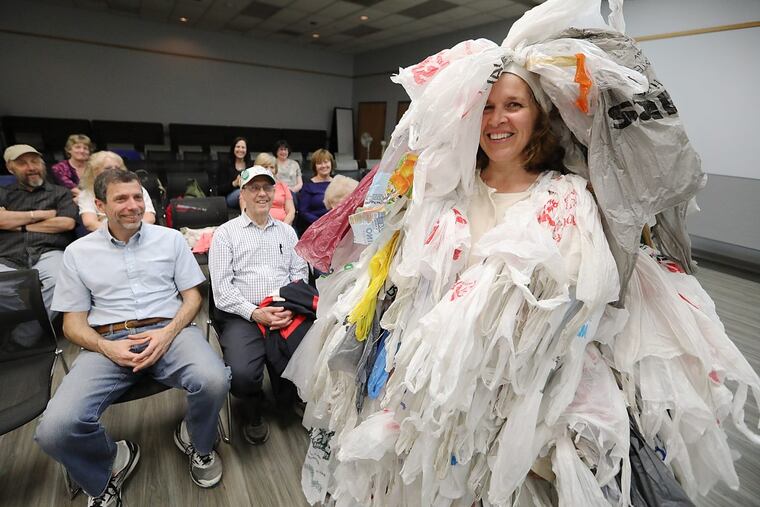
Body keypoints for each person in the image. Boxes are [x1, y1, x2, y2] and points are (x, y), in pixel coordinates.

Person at [285, 1, 760, 505]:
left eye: (513, 105)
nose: (497, 120)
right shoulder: (444, 195)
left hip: (531, 403)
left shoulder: (568, 199)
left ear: (539, 116)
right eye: (486, 107)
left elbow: (587, 303)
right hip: (439, 404)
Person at [35, 168, 230, 507]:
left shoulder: (169, 239)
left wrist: (167, 334)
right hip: (107, 341)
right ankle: (111, 461)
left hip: (170, 329)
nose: (133, 205)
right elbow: (72, 325)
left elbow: (192, 298)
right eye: (121, 198)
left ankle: (198, 443)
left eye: (138, 196)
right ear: (99, 205)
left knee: (214, 380)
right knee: (54, 429)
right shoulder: (78, 253)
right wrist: (105, 346)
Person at [208, 165, 308, 445]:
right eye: (254, 188)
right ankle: (253, 409)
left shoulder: (287, 233)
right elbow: (221, 290)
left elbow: (300, 272)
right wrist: (255, 313)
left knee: (306, 354)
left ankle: (287, 398)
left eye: (267, 188)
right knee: (241, 374)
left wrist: (289, 306)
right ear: (243, 193)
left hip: (283, 308)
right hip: (243, 313)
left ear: (275, 192)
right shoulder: (225, 234)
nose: (262, 193)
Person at [0, 144, 77, 315]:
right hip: (6, 254)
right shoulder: (3, 193)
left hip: (49, 252)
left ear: (43, 164)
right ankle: (32, 327)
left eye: (35, 161)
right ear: (10, 168)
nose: (31, 168)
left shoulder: (60, 193)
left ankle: (23, 336)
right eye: (22, 163)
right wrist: (42, 214)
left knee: (62, 282)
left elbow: (66, 223)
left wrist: (18, 224)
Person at [78, 151, 156, 232]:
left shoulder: (137, 188)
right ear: (95, 171)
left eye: (117, 168)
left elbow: (149, 217)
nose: (113, 171)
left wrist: (131, 230)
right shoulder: (86, 193)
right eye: (108, 168)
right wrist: (118, 232)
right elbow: (90, 223)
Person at [296, 148, 333, 233]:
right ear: (314, 166)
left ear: (331, 163)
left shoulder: (339, 183)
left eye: (326, 162)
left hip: (337, 226)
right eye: (319, 163)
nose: (323, 166)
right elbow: (303, 212)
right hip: (315, 228)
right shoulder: (308, 186)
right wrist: (322, 223)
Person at [50, 134, 94, 202]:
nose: (82, 151)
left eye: (85, 148)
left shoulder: (94, 167)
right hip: (68, 202)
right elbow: (73, 190)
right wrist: (91, 199)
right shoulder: (59, 168)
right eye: (77, 147)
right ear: (69, 150)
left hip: (93, 200)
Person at [254, 152, 295, 225]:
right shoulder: (250, 187)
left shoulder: (283, 186)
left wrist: (284, 227)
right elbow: (245, 210)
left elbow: (291, 211)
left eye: (272, 167)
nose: (269, 170)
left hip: (282, 226)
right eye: (265, 167)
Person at [217, 137, 250, 208]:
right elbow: (220, 189)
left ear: (247, 150)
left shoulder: (250, 165)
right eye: (238, 147)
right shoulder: (225, 164)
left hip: (249, 194)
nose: (240, 150)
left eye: (243, 147)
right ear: (233, 149)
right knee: (241, 192)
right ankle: (245, 218)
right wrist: (234, 183)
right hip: (230, 197)